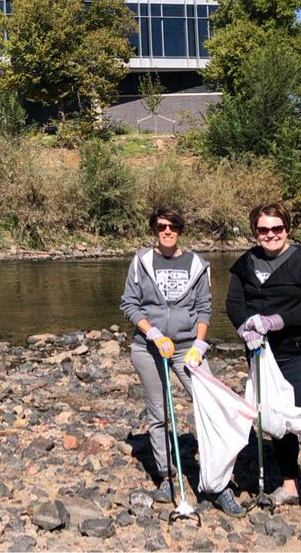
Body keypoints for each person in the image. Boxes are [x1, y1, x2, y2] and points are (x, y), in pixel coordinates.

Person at [227, 201, 301, 532]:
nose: (270, 234)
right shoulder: (246, 263)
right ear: (255, 232)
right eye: (263, 229)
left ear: (287, 229)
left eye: (276, 228)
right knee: (276, 422)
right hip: (263, 354)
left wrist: (275, 320)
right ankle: (291, 485)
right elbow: (234, 303)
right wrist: (246, 325)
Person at [120, 207, 245, 516]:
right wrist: (154, 335)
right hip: (149, 348)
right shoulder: (141, 262)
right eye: (162, 225)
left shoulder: (198, 265)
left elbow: (204, 307)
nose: (167, 230)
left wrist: (199, 345)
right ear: (154, 228)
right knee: (160, 413)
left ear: (180, 229)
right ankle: (166, 476)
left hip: (187, 348)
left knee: (211, 408)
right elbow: (129, 304)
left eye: (173, 225)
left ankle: (219, 483)